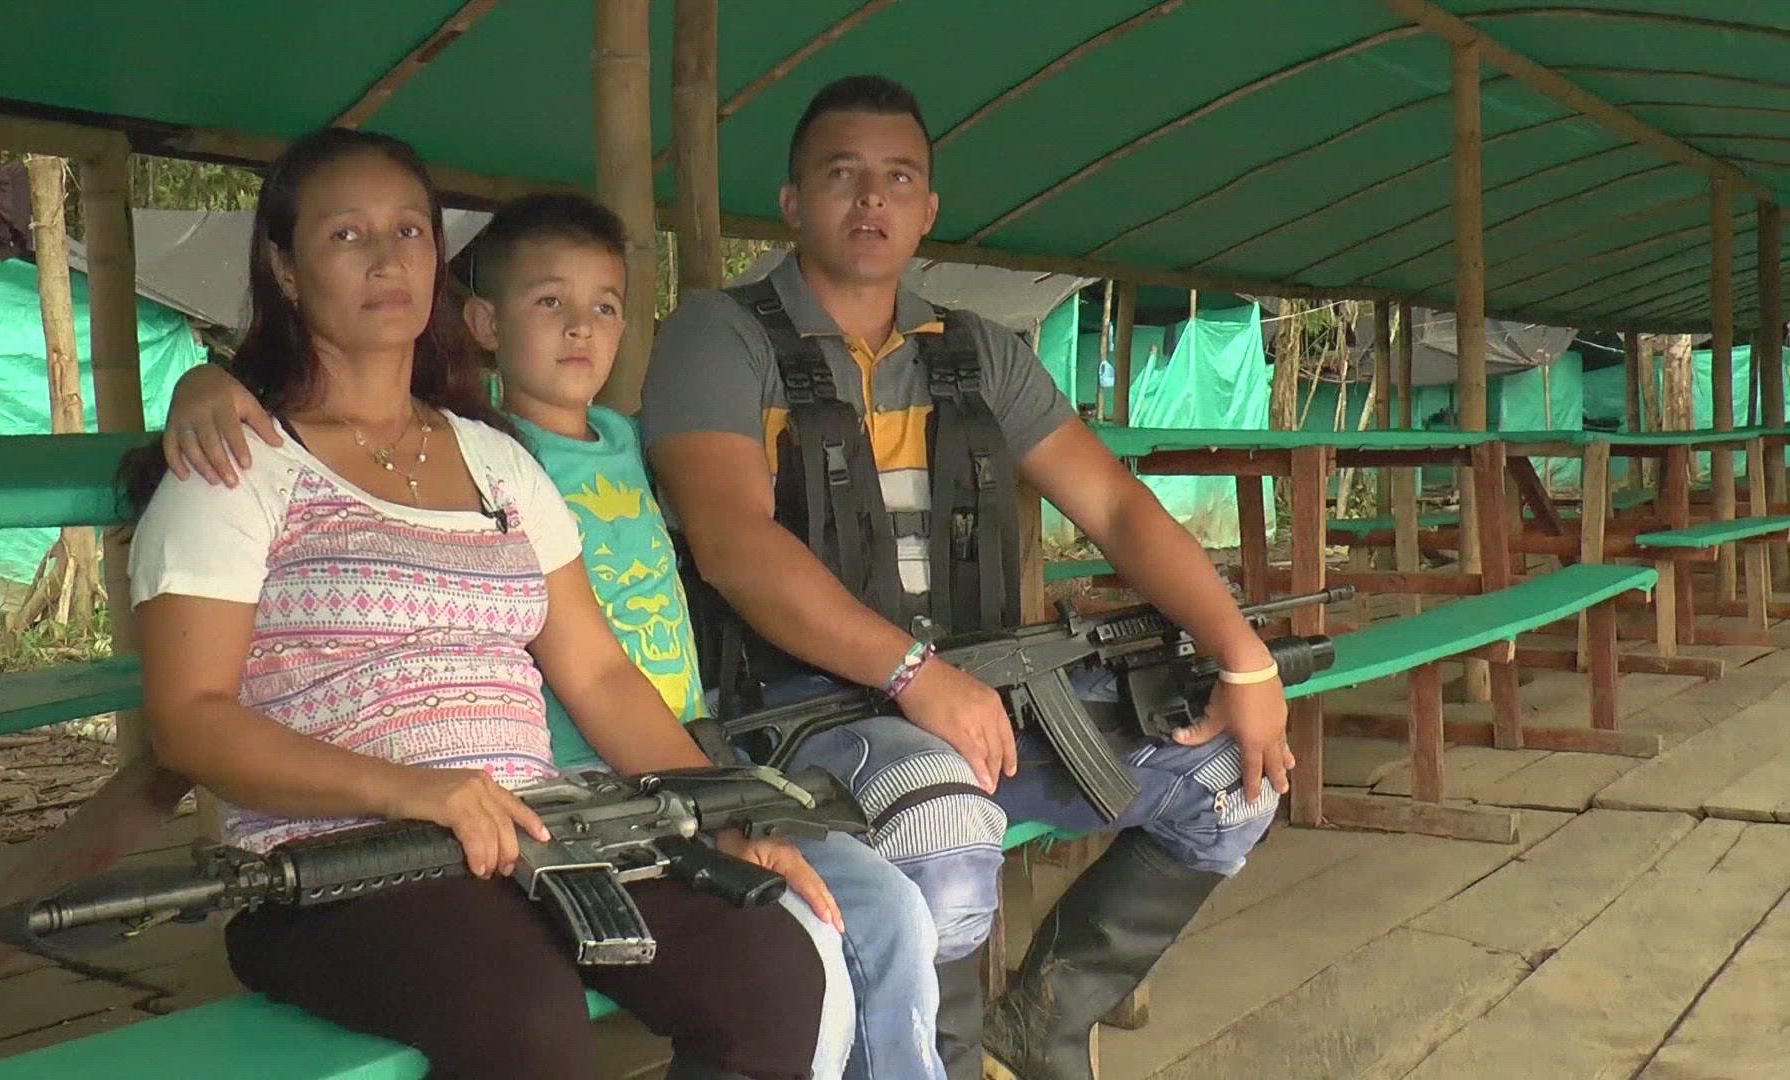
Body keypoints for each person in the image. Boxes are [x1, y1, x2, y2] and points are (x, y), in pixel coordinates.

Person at [162, 190, 944, 1079]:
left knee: (778, 965)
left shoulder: (505, 457)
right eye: (347, 231)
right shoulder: (246, 456)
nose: (385, 257)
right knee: (527, 1013)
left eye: (409, 231)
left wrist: (724, 810)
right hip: (344, 857)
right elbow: (190, 719)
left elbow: (601, 672)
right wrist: (204, 384)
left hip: (556, 816)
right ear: (285, 265)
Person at [640, 75, 1292, 1080]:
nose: (872, 198)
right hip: (796, 711)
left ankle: (1041, 1022)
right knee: (945, 833)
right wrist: (913, 674)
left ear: (928, 208)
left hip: (978, 692)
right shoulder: (718, 336)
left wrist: (1246, 663)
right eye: (842, 175)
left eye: (898, 178)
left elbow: (1117, 508)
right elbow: (732, 542)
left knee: (1232, 782)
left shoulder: (978, 353)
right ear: (793, 202)